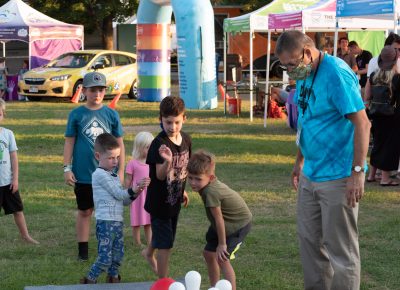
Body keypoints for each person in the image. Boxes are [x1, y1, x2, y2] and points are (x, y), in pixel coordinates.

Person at [275, 30, 371, 290]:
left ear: (307, 53)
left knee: (341, 252)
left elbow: (362, 124)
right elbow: (308, 119)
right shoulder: (305, 74)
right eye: (286, 66)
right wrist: (299, 160)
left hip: (339, 176)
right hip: (311, 174)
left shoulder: (336, 74)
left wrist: (357, 172)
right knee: (309, 243)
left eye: (292, 64)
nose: (290, 71)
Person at [63, 71, 125, 261]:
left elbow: (120, 144)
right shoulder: (76, 114)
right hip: (83, 174)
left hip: (108, 175)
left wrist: (121, 170)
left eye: (100, 90)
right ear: (84, 90)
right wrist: (67, 167)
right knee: (85, 211)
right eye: (92, 90)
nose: (97, 94)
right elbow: (69, 142)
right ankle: (83, 251)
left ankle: (106, 248)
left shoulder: (111, 114)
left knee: (106, 213)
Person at [80, 133, 149, 284]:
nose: (115, 161)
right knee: (105, 257)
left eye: (117, 157)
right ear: (98, 156)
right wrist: (135, 188)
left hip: (117, 222)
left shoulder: (114, 176)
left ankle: (113, 279)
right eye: (111, 158)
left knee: (118, 255)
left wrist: (137, 192)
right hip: (105, 222)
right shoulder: (99, 175)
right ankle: (89, 280)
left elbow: (124, 201)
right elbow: (119, 194)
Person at [187, 150, 252, 290]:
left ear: (210, 177)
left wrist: (222, 244)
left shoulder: (211, 192)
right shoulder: (206, 186)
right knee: (208, 254)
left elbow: (219, 218)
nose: (193, 182)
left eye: (198, 179)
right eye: (190, 177)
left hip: (237, 224)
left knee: (222, 258)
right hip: (222, 224)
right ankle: (214, 287)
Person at [142, 96, 191, 278]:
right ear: (160, 119)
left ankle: (148, 253)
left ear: (184, 118)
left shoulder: (186, 140)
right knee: (166, 245)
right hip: (159, 203)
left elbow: (183, 168)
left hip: (174, 200)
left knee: (166, 235)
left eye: (177, 122)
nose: (172, 127)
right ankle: (163, 282)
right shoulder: (159, 144)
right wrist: (168, 161)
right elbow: (160, 175)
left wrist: (182, 189)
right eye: (168, 122)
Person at [0, 99, 39, 244]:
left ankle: (25, 236)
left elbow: (14, 159)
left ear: (3, 115)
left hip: (8, 182)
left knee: (18, 210)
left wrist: (15, 179)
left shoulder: (8, 134)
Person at [365, 46, 400, 186]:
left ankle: (371, 175)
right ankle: (385, 178)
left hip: (376, 114)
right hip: (392, 117)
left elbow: (367, 96)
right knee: (389, 146)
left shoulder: (374, 75)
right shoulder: (397, 78)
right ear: (395, 59)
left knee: (377, 144)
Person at [124, 131, 154, 247]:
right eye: (147, 147)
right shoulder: (132, 163)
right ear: (139, 148)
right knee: (136, 220)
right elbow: (128, 179)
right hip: (136, 196)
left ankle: (150, 241)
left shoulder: (152, 163)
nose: (150, 150)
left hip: (149, 195)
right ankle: (137, 242)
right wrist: (126, 192)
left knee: (148, 220)